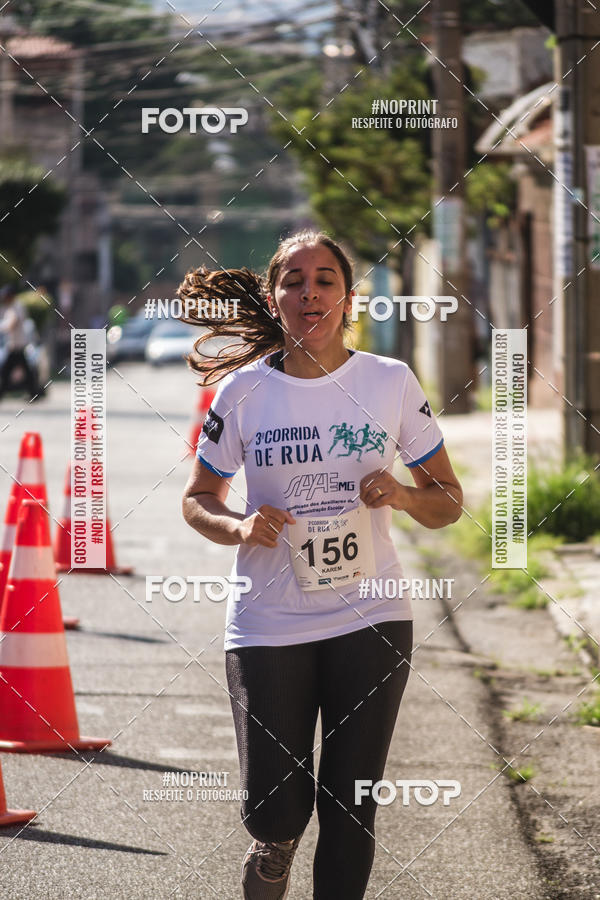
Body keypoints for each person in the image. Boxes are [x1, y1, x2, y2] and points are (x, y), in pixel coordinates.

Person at [181, 229, 463, 900]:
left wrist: (402, 494)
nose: (310, 293)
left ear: (348, 298)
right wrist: (240, 526)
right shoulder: (243, 392)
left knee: (351, 804)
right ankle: (275, 844)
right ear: (274, 298)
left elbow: (448, 500)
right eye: (295, 281)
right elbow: (197, 500)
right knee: (275, 806)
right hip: (270, 621)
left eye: (325, 280)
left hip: (371, 616)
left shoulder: (389, 382)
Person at [0, 284, 44, 402]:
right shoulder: (11, 307)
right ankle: (34, 393)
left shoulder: (16, 306)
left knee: (6, 371)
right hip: (15, 345)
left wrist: (3, 327)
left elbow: (12, 323)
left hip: (17, 345)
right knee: (23, 371)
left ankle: (34, 393)